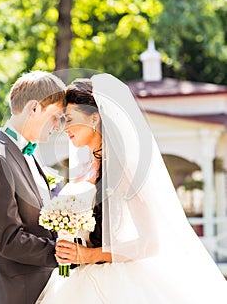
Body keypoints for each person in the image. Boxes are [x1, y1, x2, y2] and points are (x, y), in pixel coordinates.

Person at [36, 73, 227, 303]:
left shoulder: (124, 169)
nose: (65, 128)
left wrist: (90, 254)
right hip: (75, 278)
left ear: (94, 118)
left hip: (116, 281)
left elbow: (149, 242)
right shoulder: (83, 168)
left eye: (70, 118)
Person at [0, 71, 66, 304]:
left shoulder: (31, 156)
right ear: (34, 109)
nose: (57, 126)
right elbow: (9, 240)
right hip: (19, 295)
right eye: (54, 116)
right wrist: (63, 254)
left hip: (49, 289)